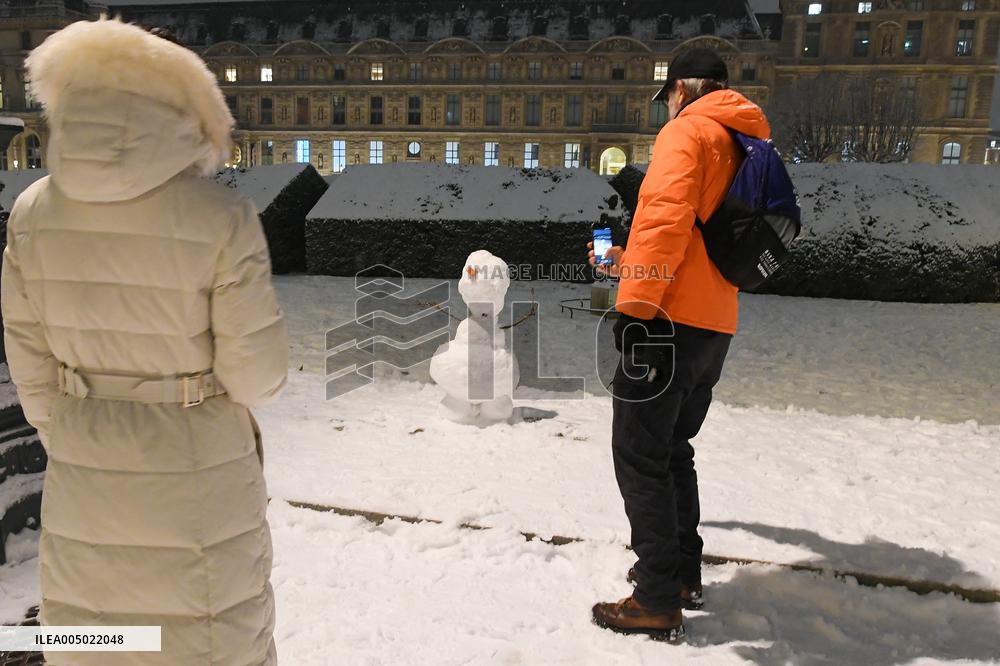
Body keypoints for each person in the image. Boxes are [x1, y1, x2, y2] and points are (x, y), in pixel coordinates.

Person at [1, 19, 287, 664]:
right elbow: (257, 376)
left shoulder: (32, 211)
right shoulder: (220, 214)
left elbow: (28, 356)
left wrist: (76, 425)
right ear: (181, 114)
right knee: (205, 634)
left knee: (96, 635)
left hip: (85, 450)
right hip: (195, 447)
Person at [587, 49, 772, 641]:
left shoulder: (687, 131)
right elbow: (694, 237)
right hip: (714, 321)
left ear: (684, 88)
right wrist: (626, 263)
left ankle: (657, 598)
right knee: (671, 450)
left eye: (667, 94)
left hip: (665, 320)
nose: (665, 105)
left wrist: (635, 306)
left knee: (639, 452)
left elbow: (665, 220)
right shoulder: (745, 140)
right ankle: (683, 575)